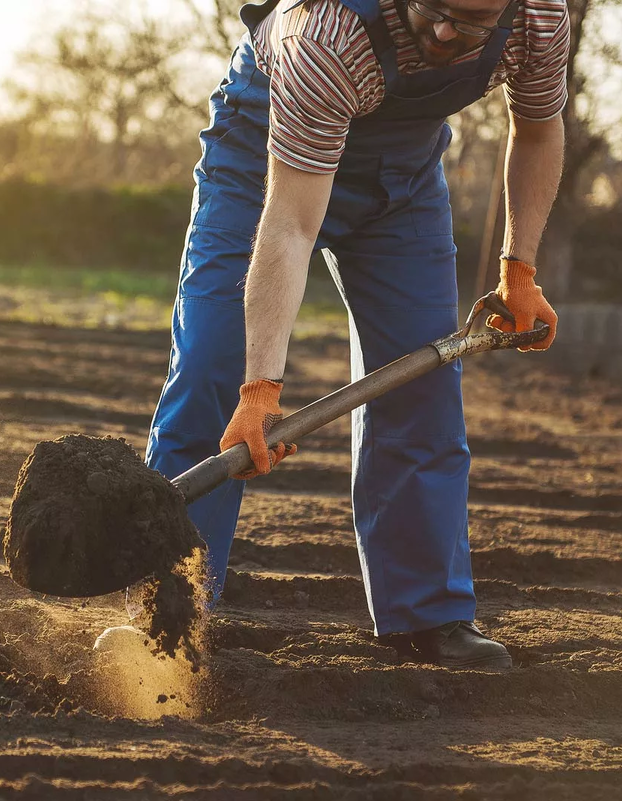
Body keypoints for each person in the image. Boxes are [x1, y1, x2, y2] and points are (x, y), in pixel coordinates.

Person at [146, 0, 566, 671]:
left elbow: (539, 129)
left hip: (401, 177)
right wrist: (259, 387)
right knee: (211, 374)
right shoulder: (331, 30)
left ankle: (427, 616)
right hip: (262, 161)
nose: (450, 32)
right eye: (436, 9)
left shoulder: (540, 15)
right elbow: (288, 227)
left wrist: (520, 271)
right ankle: (162, 617)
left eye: (474, 21)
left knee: (422, 388)